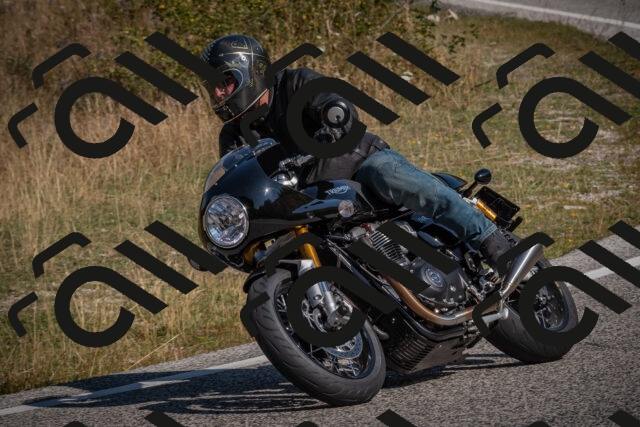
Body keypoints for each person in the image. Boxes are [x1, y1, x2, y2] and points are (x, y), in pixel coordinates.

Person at [199, 34, 512, 270]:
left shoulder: (296, 83)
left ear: (250, 72)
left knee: (388, 175)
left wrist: (332, 123)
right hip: (312, 203)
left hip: (358, 165)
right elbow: (238, 189)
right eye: (211, 86)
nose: (218, 92)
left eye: (225, 81)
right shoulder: (233, 136)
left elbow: (335, 105)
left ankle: (493, 243)